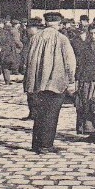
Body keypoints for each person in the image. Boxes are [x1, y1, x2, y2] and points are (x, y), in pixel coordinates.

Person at [24, 12, 77, 154]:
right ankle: (46, 145)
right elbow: (70, 63)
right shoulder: (62, 39)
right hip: (55, 83)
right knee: (51, 115)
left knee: (39, 114)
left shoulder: (35, 38)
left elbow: (26, 59)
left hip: (36, 84)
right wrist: (71, 80)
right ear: (58, 24)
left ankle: (36, 144)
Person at [22, 18, 43, 119]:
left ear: (36, 28)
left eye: (29, 28)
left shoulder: (40, 39)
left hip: (37, 70)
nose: (27, 30)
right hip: (30, 69)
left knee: (35, 92)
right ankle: (32, 113)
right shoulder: (31, 38)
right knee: (29, 91)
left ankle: (36, 114)